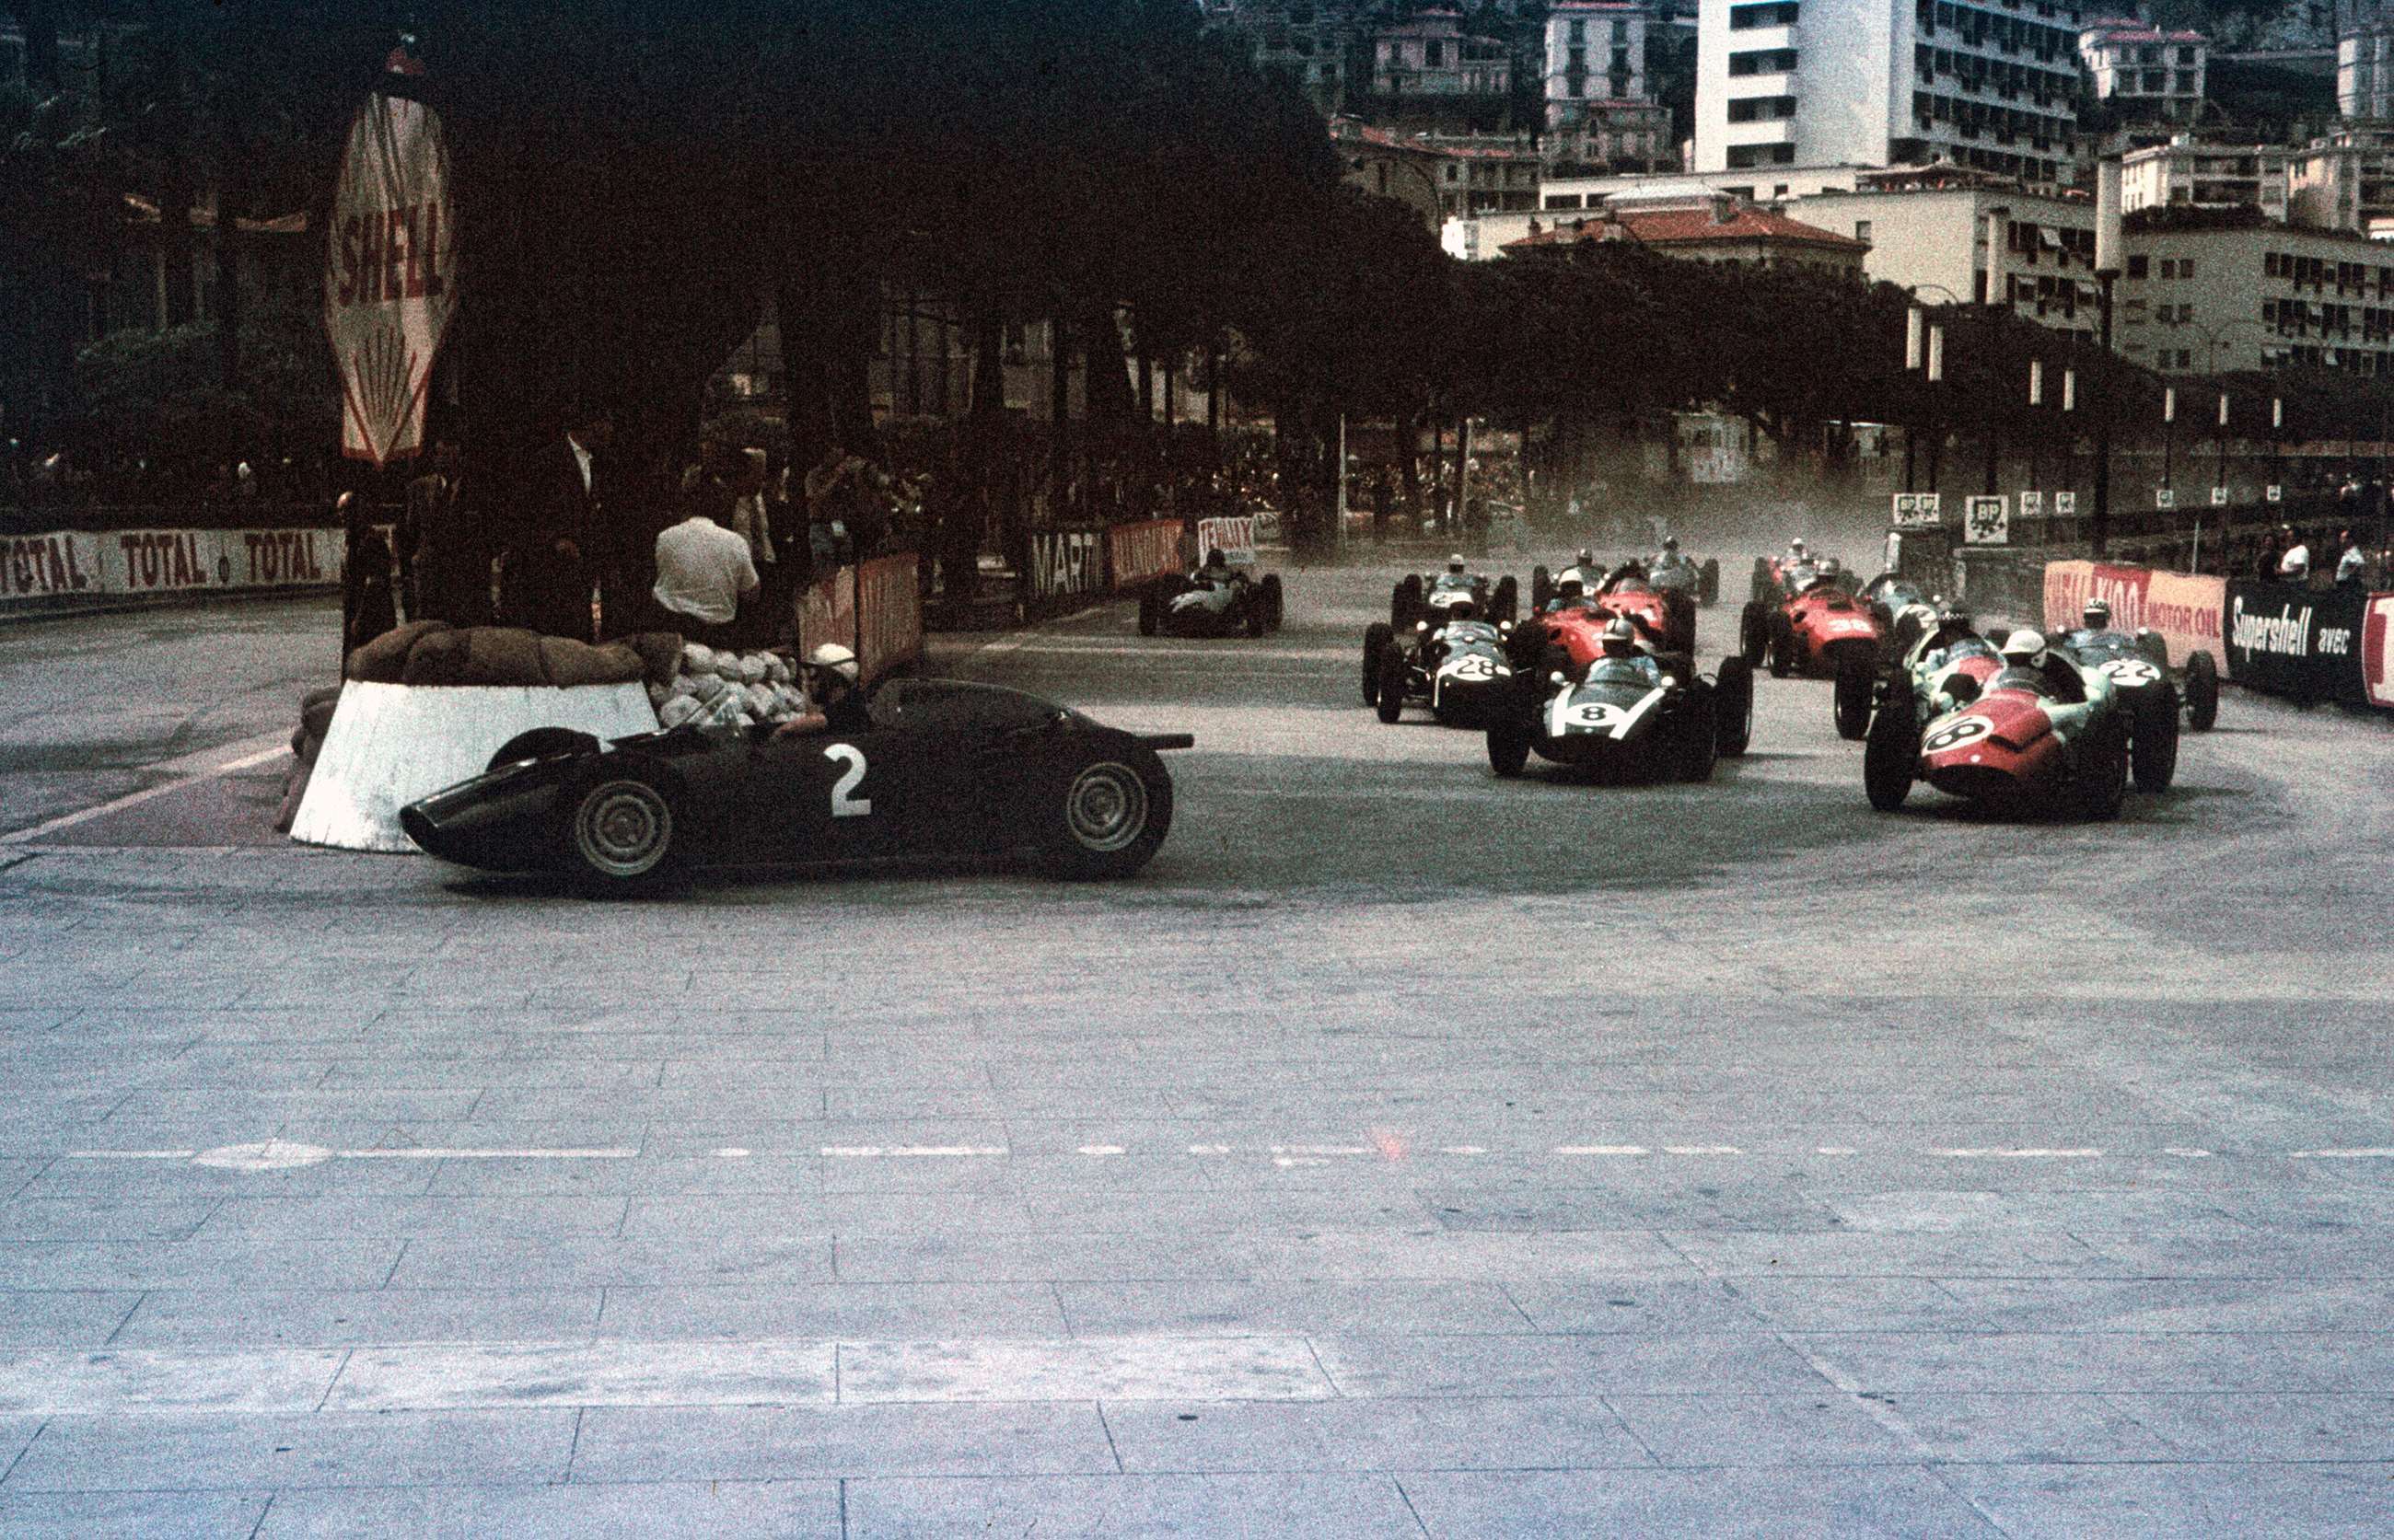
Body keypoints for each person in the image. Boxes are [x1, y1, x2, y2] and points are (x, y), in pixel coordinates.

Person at [523, 406, 614, 640]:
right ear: (591, 425)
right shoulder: (548, 460)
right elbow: (530, 511)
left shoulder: (600, 463)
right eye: (606, 423)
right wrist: (555, 540)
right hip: (551, 566)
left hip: (584, 564)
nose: (610, 430)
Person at [398, 437, 488, 626]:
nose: (441, 460)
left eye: (448, 455)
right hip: (428, 588)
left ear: (461, 458)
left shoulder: (478, 491)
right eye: (439, 454)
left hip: (464, 590)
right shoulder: (419, 489)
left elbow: (485, 539)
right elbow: (408, 537)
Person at [651, 503, 760, 648]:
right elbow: (752, 593)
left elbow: (661, 576)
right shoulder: (736, 542)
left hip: (669, 627)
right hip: (716, 633)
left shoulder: (666, 536)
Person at [774, 643, 871, 738]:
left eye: (814, 676)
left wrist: (782, 731)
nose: (808, 683)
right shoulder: (845, 704)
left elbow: (821, 720)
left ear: (833, 679)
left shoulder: (850, 707)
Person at [1592, 615, 1660, 685]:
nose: (1613, 648)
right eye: (1609, 644)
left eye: (1617, 644)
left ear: (1629, 643)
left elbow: (1656, 685)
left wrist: (1643, 679)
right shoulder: (1599, 664)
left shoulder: (1644, 662)